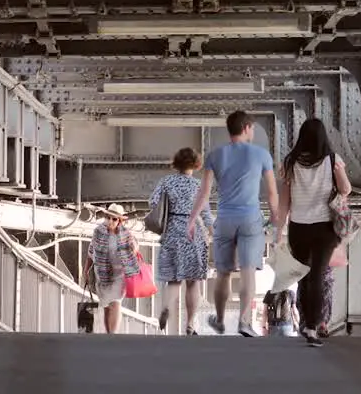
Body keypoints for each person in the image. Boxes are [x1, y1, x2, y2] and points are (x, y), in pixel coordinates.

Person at [188, 110, 280, 337]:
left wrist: (192, 220)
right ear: (247, 128)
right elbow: (271, 193)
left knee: (223, 272)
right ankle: (244, 322)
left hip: (225, 219)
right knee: (248, 271)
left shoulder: (215, 155)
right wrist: (277, 221)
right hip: (251, 219)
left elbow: (204, 192)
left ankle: (219, 320)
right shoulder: (261, 155)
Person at [278, 117, 352, 347]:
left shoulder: (290, 162)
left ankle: (307, 324)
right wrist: (339, 171)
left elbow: (284, 202)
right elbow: (345, 190)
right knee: (319, 275)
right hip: (325, 228)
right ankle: (312, 326)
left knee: (306, 276)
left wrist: (278, 231)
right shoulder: (333, 159)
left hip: (299, 228)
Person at [150, 147, 214, 335]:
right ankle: (190, 324)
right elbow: (206, 214)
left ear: (176, 163)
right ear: (196, 164)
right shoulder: (198, 185)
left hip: (172, 230)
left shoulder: (166, 182)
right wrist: (212, 232)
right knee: (193, 281)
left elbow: (153, 202)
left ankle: (167, 307)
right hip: (194, 232)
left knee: (174, 279)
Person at [83, 203, 140, 334]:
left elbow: (134, 249)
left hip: (120, 275)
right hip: (102, 275)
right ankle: (109, 334)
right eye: (108, 217)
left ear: (119, 221)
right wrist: (86, 271)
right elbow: (91, 253)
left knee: (115, 302)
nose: (110, 221)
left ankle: (113, 335)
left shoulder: (126, 234)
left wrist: (133, 248)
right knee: (107, 306)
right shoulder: (98, 232)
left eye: (114, 219)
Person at [318, 243, 346, 337]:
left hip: (316, 272)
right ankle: (321, 324)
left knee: (322, 298)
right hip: (324, 273)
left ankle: (319, 324)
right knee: (325, 298)